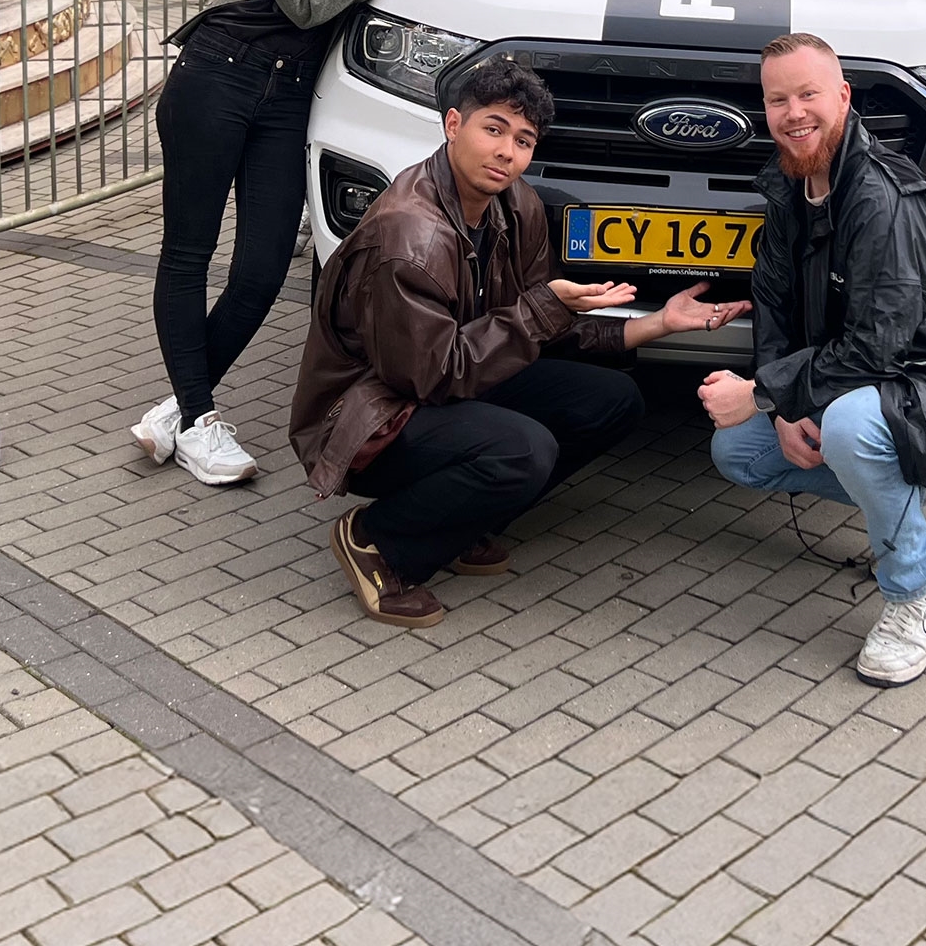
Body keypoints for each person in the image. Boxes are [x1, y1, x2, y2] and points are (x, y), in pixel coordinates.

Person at [131, 0, 510, 487]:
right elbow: (306, 0)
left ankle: (177, 411)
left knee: (265, 267)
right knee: (189, 254)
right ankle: (201, 420)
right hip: (221, 73)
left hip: (290, 95)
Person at [292, 56, 747, 627]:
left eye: (524, 140)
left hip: (450, 378)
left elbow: (541, 329)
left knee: (612, 401)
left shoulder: (515, 205)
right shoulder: (409, 238)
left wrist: (657, 323)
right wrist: (543, 307)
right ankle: (378, 540)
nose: (507, 152)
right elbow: (433, 377)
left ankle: (460, 521)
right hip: (370, 416)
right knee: (523, 450)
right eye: (494, 129)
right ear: (453, 124)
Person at [698, 34, 926, 686]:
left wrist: (763, 393)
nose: (794, 113)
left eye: (808, 94)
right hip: (879, 381)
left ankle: (916, 592)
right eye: (778, 100)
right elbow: (775, 307)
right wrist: (782, 411)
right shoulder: (789, 188)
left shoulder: (881, 199)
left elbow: (879, 345)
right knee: (741, 451)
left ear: (843, 97)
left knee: (848, 427)